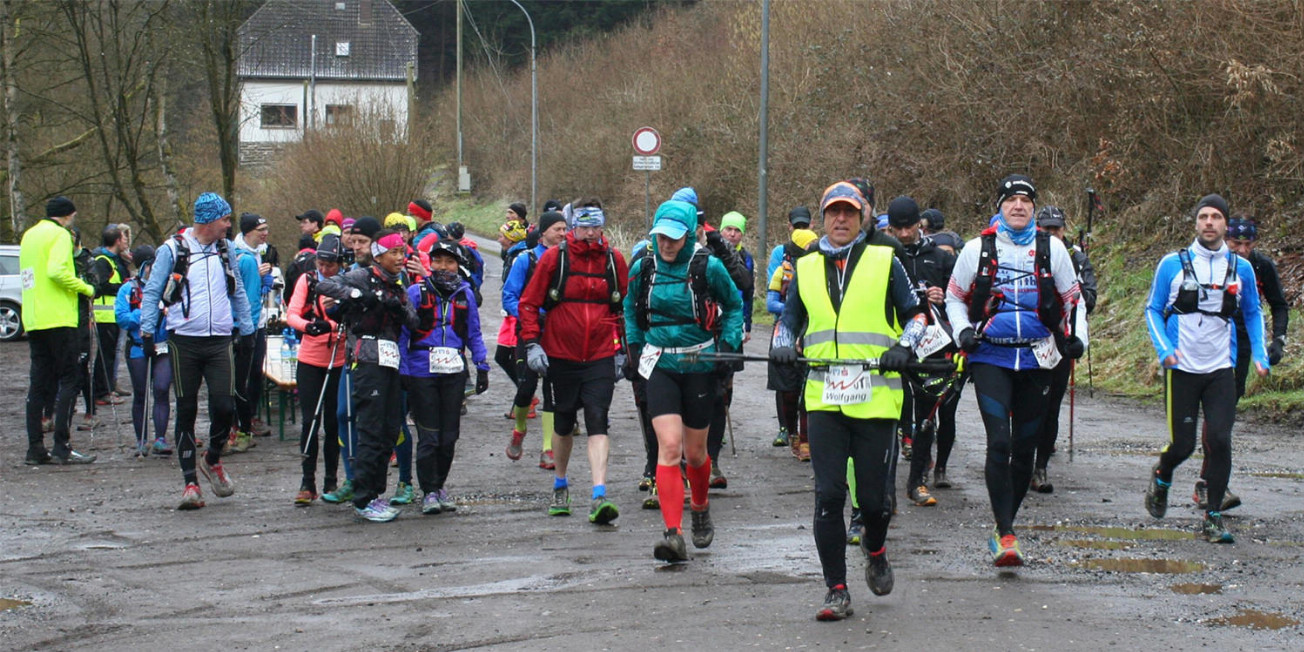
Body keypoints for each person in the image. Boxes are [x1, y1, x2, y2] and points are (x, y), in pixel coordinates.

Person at [772, 182, 926, 620]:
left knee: (876, 502)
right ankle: (835, 590)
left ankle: (875, 549)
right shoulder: (804, 267)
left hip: (876, 396)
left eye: (849, 213)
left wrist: (905, 346)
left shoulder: (886, 258)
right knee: (828, 495)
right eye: (833, 213)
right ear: (822, 218)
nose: (841, 221)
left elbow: (916, 316)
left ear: (863, 218)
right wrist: (784, 343)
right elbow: (787, 322)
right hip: (823, 396)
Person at [945, 175, 1081, 566]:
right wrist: (963, 332)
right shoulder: (977, 249)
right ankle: (1005, 533)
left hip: (1039, 357)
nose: (1018, 206)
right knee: (999, 442)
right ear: (1000, 206)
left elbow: (1073, 300)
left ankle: (1007, 522)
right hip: (991, 356)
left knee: (1025, 449)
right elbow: (955, 297)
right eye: (1011, 200)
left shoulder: (1052, 248)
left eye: (1025, 201)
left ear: (1033, 209)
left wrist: (1076, 337)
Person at [1143, 194, 1269, 544]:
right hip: (1181, 366)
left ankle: (1213, 516)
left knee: (1219, 440)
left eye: (1216, 217)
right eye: (1203, 217)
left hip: (1220, 368)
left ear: (1225, 225)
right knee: (1182, 445)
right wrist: (1164, 350)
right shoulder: (1172, 263)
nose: (1209, 222)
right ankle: (1162, 474)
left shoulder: (1240, 267)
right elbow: (1152, 310)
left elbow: (1253, 313)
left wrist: (1259, 352)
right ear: (1196, 223)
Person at [625, 198, 743, 560]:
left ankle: (701, 506)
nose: (666, 244)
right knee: (670, 447)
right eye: (661, 237)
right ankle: (672, 533)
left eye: (674, 238)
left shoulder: (708, 266)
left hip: (700, 365)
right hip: (660, 364)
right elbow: (630, 309)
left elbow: (735, 305)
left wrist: (727, 345)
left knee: (695, 454)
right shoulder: (643, 266)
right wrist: (632, 348)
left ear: (690, 236)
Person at [140, 192, 255, 508]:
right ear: (208, 220)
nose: (229, 225)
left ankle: (213, 458)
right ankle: (190, 483)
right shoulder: (172, 250)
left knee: (224, 406)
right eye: (225, 220)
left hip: (219, 339)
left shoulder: (225, 249)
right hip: (183, 340)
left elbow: (239, 291)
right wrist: (147, 331)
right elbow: (152, 292)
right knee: (186, 409)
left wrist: (246, 330)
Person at [518, 203, 629, 524]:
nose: (591, 232)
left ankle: (598, 495)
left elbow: (624, 308)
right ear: (572, 227)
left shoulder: (614, 260)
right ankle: (560, 484)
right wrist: (532, 344)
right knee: (564, 424)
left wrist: (622, 350)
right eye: (584, 226)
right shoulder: (555, 259)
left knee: (598, 420)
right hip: (559, 356)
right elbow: (528, 303)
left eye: (597, 226)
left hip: (600, 356)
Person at [316, 229, 422, 522]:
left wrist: (398, 307)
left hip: (390, 362)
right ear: (378, 254)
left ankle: (376, 493)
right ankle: (363, 498)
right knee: (371, 429)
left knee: (390, 428)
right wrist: (358, 296)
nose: (401, 258)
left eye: (403, 252)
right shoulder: (362, 276)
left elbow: (414, 320)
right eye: (395, 253)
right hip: (365, 360)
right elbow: (325, 287)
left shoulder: (397, 285)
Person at [402, 241, 490, 514]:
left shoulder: (465, 295)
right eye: (437, 261)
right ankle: (428, 491)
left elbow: (474, 333)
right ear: (430, 263)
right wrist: (403, 371)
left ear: (458, 265)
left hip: (454, 370)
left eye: (449, 262)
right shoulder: (415, 293)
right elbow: (403, 334)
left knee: (449, 435)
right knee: (429, 435)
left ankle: (440, 485)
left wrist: (481, 364)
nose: (443, 267)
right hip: (421, 370)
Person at [884, 196, 958, 507]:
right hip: (894, 343)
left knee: (927, 416)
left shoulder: (940, 257)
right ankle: (885, 488)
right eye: (897, 228)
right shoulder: (882, 256)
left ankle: (918, 482)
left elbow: (960, 299)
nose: (903, 234)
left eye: (909, 227)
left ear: (920, 225)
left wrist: (942, 297)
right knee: (890, 416)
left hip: (932, 346)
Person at [21, 196, 98, 465]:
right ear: (67, 216)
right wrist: (85, 287)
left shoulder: (29, 235)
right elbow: (56, 271)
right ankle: (62, 446)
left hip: (33, 317)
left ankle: (34, 448)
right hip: (59, 317)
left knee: (39, 383)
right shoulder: (61, 235)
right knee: (70, 379)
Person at [1030, 206, 1096, 493]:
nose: (1051, 234)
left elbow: (1089, 298)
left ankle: (1040, 467)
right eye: (1045, 229)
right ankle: (1019, 455)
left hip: (1061, 336)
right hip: (1030, 336)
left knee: (1051, 406)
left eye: (1055, 229)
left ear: (1064, 230)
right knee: (1026, 401)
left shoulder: (1077, 259)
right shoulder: (1027, 253)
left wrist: (1076, 295)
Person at [286, 234, 348, 505]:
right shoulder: (308, 280)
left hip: (339, 358)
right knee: (310, 421)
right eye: (321, 264)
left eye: (330, 265)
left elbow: (352, 318)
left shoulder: (348, 283)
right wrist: (308, 326)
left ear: (340, 264)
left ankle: (331, 480)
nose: (324, 270)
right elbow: (292, 314)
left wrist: (332, 327)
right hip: (311, 358)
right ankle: (306, 480)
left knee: (335, 422)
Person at [504, 213, 565, 469]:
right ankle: (519, 429)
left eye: (565, 228)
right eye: (557, 229)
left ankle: (547, 450)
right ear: (543, 232)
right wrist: (532, 315)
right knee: (527, 388)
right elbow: (508, 297)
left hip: (556, 334)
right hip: (528, 332)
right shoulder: (525, 259)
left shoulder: (567, 261)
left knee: (552, 392)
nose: (563, 233)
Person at [765, 222, 818, 457]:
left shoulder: (819, 271)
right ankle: (790, 431)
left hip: (813, 329)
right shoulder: (782, 271)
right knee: (788, 388)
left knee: (809, 386)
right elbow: (770, 303)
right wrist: (792, 309)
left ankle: (807, 440)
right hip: (786, 329)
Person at [115, 245, 174, 457]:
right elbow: (121, 317)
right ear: (143, 267)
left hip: (163, 346)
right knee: (141, 393)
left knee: (161, 388)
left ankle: (160, 438)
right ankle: (141, 439)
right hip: (138, 347)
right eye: (151, 266)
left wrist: (168, 313)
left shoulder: (168, 287)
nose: (156, 270)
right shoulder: (128, 289)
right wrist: (146, 312)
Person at [229, 213, 274, 452]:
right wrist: (251, 328)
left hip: (252, 325)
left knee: (255, 374)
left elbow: (255, 290)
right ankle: (241, 426)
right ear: (248, 232)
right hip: (248, 327)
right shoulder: (244, 258)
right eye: (261, 230)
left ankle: (246, 422)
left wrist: (265, 280)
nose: (265, 233)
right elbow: (248, 298)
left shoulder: (256, 253)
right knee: (243, 378)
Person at [90, 225, 131, 408]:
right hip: (105, 314)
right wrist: (124, 288)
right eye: (123, 238)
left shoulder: (115, 260)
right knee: (104, 356)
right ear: (116, 241)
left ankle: (108, 387)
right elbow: (102, 286)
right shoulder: (102, 260)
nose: (126, 242)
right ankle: (101, 392)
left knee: (110, 355)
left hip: (114, 314)